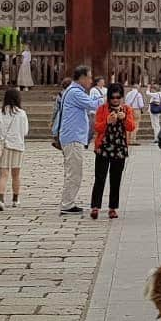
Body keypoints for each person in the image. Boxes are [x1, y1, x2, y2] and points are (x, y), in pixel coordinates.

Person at [57, 65, 105, 216]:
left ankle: (68, 201)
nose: (91, 80)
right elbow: (93, 104)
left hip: (71, 136)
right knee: (74, 171)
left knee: (72, 170)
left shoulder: (73, 91)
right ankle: (67, 204)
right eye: (89, 77)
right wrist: (107, 99)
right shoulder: (75, 92)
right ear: (82, 77)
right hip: (73, 137)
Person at [91, 83, 134, 219]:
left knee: (116, 179)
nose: (115, 100)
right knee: (100, 178)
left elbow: (131, 127)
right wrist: (107, 121)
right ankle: (95, 206)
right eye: (112, 97)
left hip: (119, 148)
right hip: (104, 147)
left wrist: (124, 118)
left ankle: (113, 207)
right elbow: (97, 127)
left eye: (118, 97)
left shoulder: (126, 109)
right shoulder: (102, 109)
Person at [0, 87, 29, 211]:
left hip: (4, 146)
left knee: (3, 175)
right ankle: (15, 199)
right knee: (16, 174)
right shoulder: (21, 113)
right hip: (17, 145)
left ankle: (1, 200)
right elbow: (25, 131)